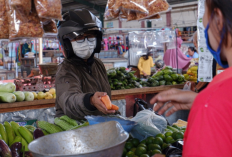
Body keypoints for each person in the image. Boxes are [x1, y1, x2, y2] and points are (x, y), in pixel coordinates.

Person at [151, 0, 232, 156]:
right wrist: (201, 100)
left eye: (203, 18)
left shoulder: (213, 104)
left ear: (218, 20)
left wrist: (208, 104)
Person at [55, 9, 116, 120]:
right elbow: (69, 100)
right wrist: (90, 100)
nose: (86, 42)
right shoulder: (66, 69)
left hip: (98, 127)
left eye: (90, 36)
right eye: (79, 38)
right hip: (75, 129)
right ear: (67, 44)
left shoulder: (97, 64)